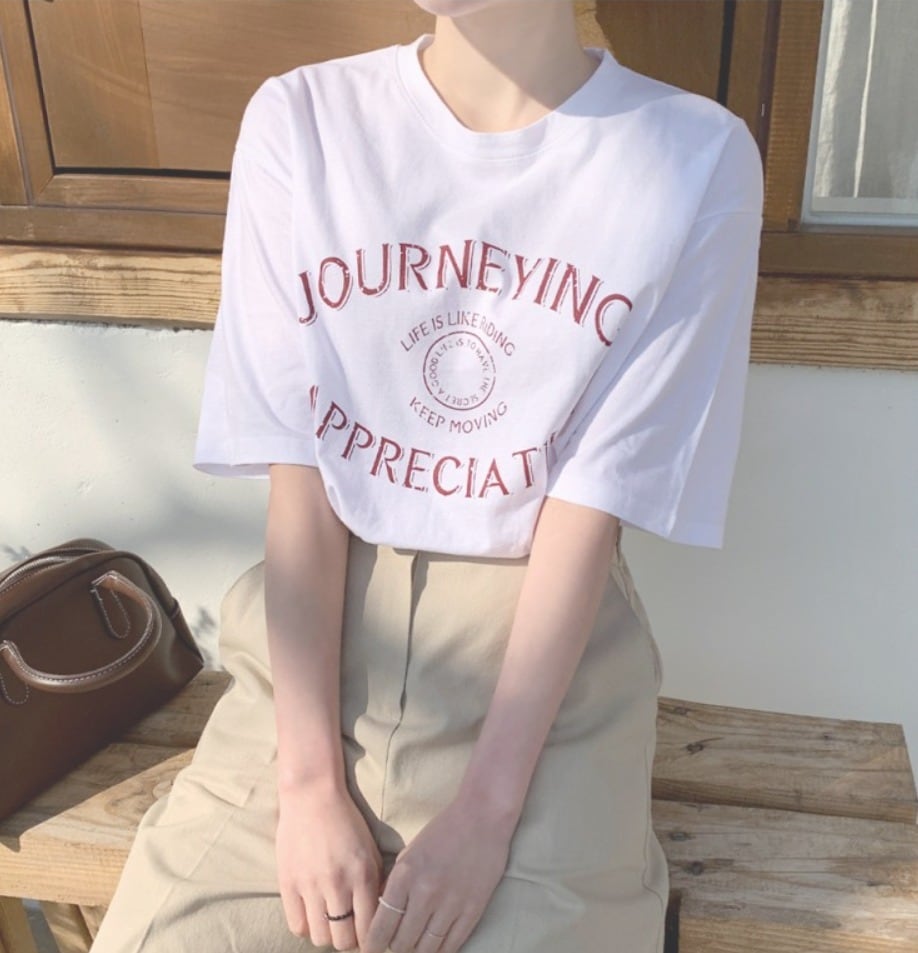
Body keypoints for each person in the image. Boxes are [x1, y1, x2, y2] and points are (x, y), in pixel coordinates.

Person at [91, 1, 763, 951]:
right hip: (313, 645)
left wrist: (488, 811)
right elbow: (302, 468)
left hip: (543, 668)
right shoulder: (304, 121)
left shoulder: (691, 156)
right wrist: (308, 785)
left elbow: (593, 502)